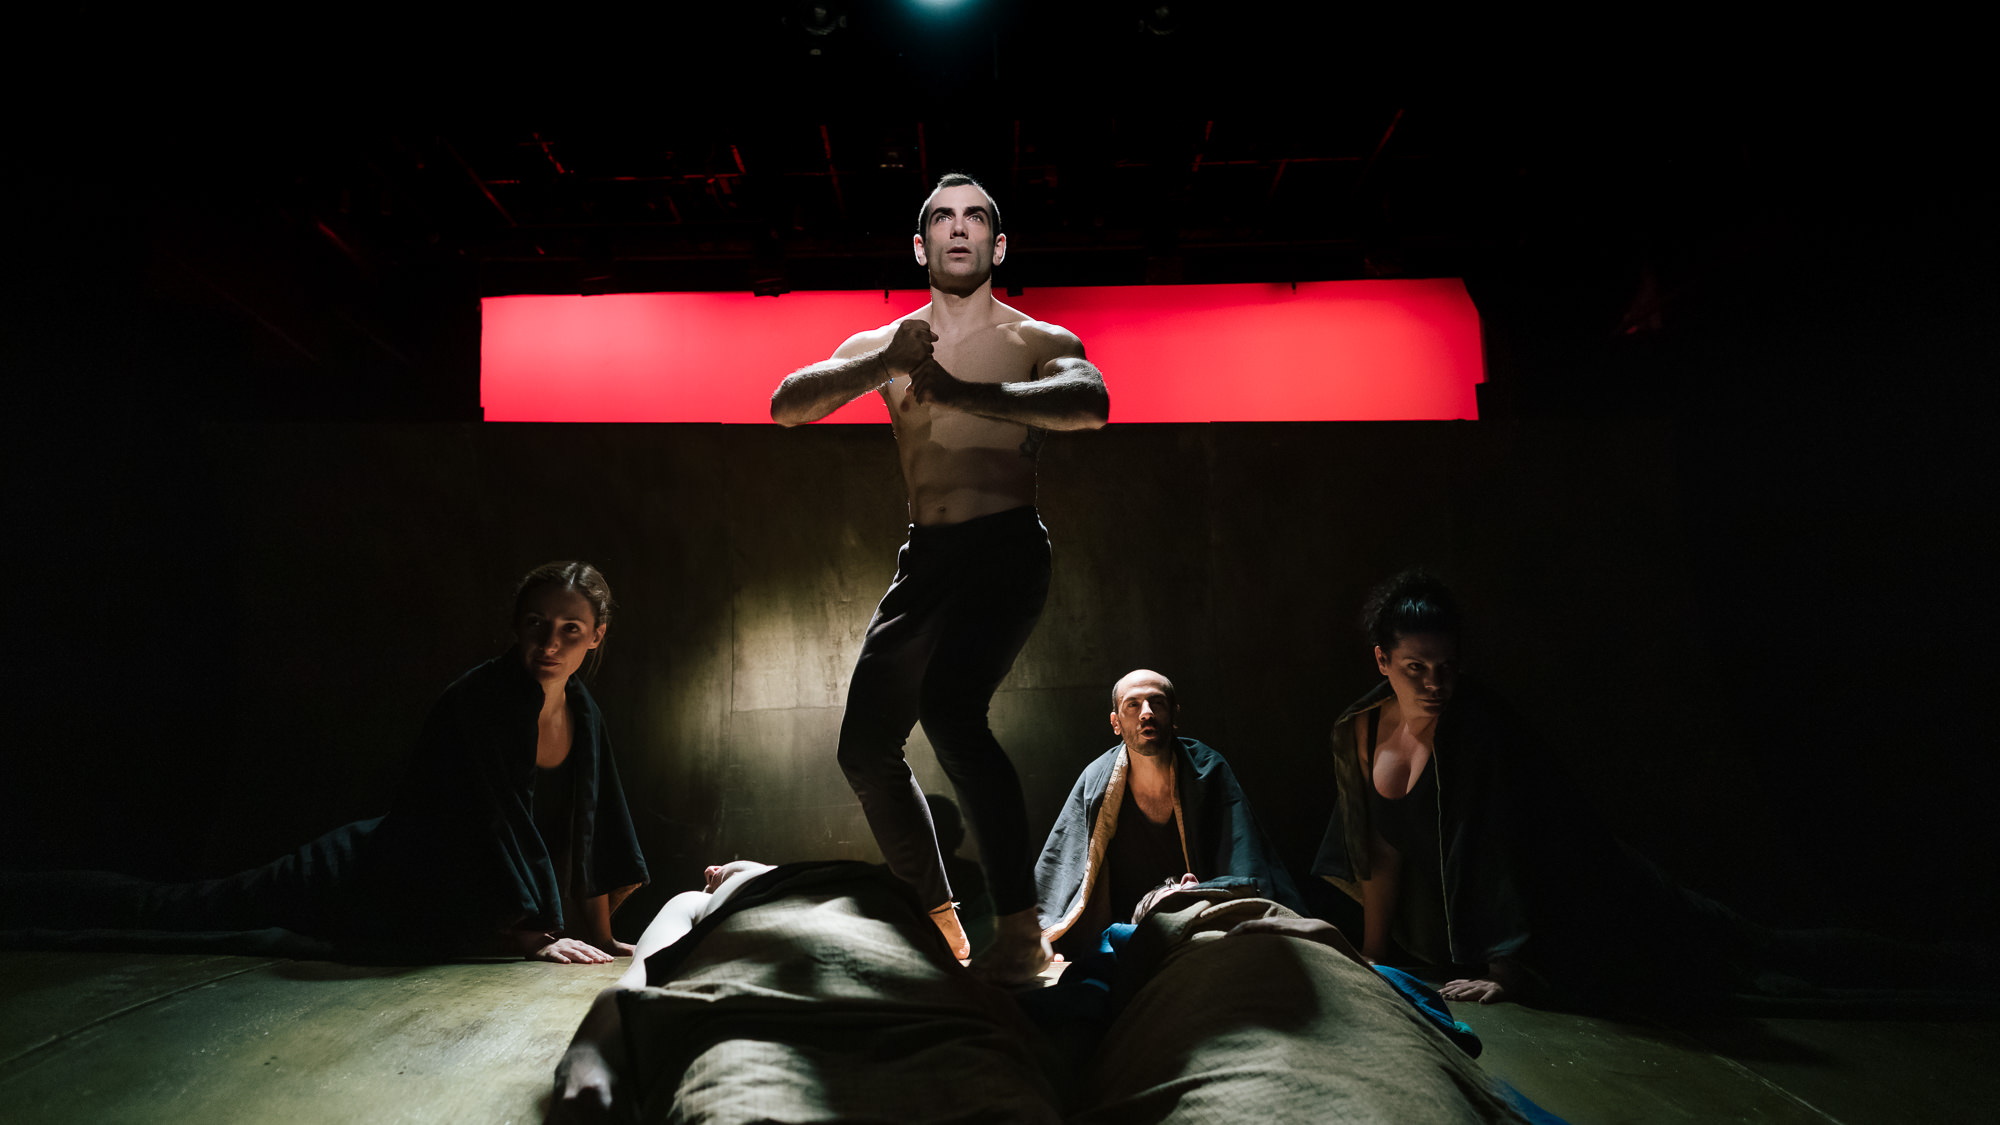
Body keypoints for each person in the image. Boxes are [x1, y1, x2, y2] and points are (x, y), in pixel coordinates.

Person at [1312, 567, 1985, 1014]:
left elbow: (1500, 853)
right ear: (1382, 661)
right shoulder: (1360, 732)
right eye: (1416, 668)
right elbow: (1379, 853)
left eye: (1448, 666)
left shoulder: (1480, 729)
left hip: (1598, 894)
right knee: (1752, 954)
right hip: (1520, 920)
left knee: (1760, 953)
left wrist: (1507, 971)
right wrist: (1375, 956)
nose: (1436, 683)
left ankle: (1956, 963)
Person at [769, 172, 1109, 981]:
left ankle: (1023, 934)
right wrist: (881, 364)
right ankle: (945, 927)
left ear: (999, 244)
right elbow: (787, 403)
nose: (960, 228)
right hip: (926, 555)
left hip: (1005, 545)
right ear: (920, 246)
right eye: (944, 218)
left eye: (976, 217)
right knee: (864, 748)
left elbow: (1090, 401)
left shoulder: (1033, 338)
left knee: (952, 709)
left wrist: (966, 393)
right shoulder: (889, 343)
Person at [0, 561, 649, 964]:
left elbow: (588, 832)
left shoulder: (584, 713)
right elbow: (470, 834)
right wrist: (532, 935)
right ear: (516, 626)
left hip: (424, 897)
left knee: (178, 909)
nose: (549, 642)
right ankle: (21, 892)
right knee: (173, 911)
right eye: (536, 623)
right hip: (361, 873)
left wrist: (601, 933)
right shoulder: (476, 702)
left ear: (595, 637)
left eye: (570, 629)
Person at [548, 859, 1061, 1124]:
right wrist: (591, 1056)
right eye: (712, 875)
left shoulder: (872, 889)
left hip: (911, 995)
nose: (711, 871)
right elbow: (636, 981)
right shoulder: (701, 900)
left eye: (721, 867)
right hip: (754, 1013)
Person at [1035, 669, 1305, 961]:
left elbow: (1243, 859)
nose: (1146, 713)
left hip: (1202, 926)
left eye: (1157, 703)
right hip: (1127, 931)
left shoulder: (1207, 770)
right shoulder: (1096, 780)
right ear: (1116, 723)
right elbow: (1063, 867)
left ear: (1174, 714)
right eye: (1133, 704)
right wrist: (1045, 937)